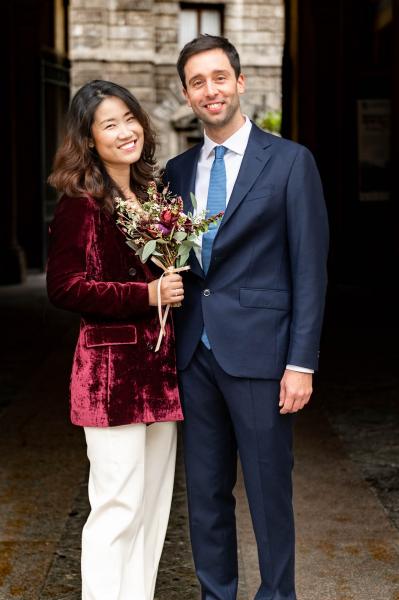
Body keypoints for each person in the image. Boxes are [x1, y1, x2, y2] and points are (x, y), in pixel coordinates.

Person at [163, 35, 329, 600]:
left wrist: (300, 362)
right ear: (186, 95)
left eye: (218, 77)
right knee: (205, 495)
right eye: (197, 82)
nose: (210, 90)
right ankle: (217, 595)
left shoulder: (289, 162)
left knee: (267, 491)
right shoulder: (177, 172)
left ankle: (278, 595)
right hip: (194, 355)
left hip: (261, 354)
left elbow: (309, 270)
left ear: (239, 82)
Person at [46, 79, 184, 600]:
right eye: (110, 124)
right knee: (116, 509)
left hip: (158, 373)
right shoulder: (81, 201)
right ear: (89, 139)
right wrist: (143, 295)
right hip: (109, 378)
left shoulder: (150, 195)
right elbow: (65, 287)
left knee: (152, 510)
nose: (126, 131)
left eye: (130, 118)